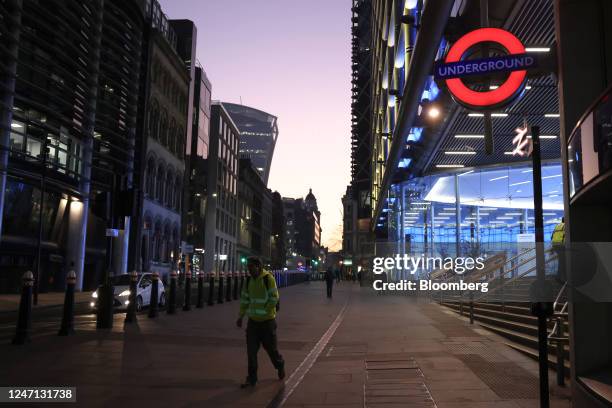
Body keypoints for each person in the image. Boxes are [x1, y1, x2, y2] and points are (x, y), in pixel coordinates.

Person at [236, 257, 285, 388]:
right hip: (253, 323)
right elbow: (245, 300)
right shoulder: (248, 281)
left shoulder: (268, 279)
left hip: (267, 323)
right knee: (251, 352)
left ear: (259, 266)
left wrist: (266, 310)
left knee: (271, 351)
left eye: (252, 267)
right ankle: (252, 378)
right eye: (248, 267)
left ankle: (280, 364)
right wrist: (241, 316)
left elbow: (274, 298)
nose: (249, 269)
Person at [551, 217, 566, 282]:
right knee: (563, 262)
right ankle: (560, 277)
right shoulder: (566, 226)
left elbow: (552, 236)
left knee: (561, 261)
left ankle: (560, 277)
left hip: (555, 245)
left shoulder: (557, 226)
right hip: (561, 245)